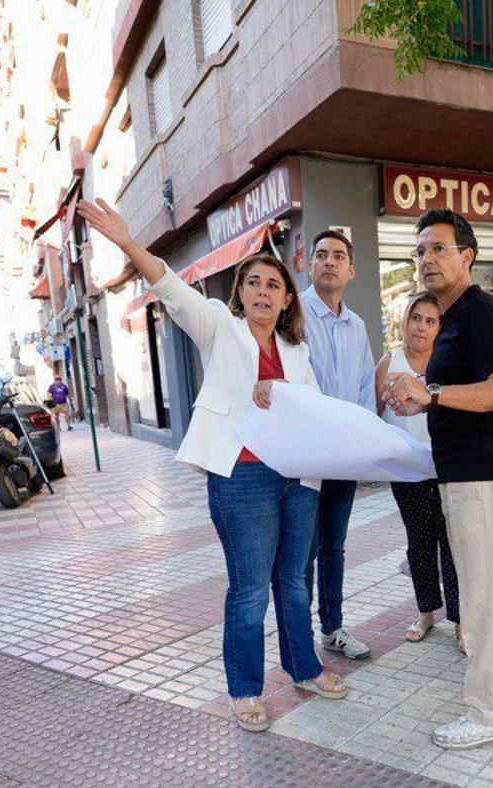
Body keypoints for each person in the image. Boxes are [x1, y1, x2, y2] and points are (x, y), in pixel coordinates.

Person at [76, 197, 347, 733]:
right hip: (243, 476)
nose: (263, 291)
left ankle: (303, 669)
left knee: (293, 582)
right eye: (253, 283)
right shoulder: (219, 327)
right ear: (239, 295)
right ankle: (245, 689)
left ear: (288, 297)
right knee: (249, 588)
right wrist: (129, 244)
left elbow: (313, 409)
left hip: (299, 478)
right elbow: (169, 284)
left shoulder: (298, 348)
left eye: (273, 284)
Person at [383, 209, 493, 750]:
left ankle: (488, 714)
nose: (426, 259)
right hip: (470, 469)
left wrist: (430, 394)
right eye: (420, 251)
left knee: (477, 597)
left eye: (439, 249)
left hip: (483, 473)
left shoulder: (479, 312)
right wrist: (422, 404)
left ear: (467, 256)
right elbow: (460, 397)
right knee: (491, 584)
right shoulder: (452, 318)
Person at [300, 230, 375, 662]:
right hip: (307, 456)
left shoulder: (358, 324)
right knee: (303, 549)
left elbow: (365, 388)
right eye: (321, 255)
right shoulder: (296, 315)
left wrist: (360, 444)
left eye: (338, 256)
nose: (329, 261)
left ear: (351, 270)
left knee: (334, 545)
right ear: (310, 265)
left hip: (343, 456)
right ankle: (300, 632)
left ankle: (333, 629)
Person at [374, 291, 460, 644]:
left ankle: (460, 620)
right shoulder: (389, 363)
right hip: (408, 472)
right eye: (416, 318)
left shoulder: (449, 362)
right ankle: (426, 613)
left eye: (430, 321)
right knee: (419, 543)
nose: (421, 327)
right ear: (405, 320)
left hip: (449, 466)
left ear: (440, 328)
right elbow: (374, 418)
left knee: (454, 545)